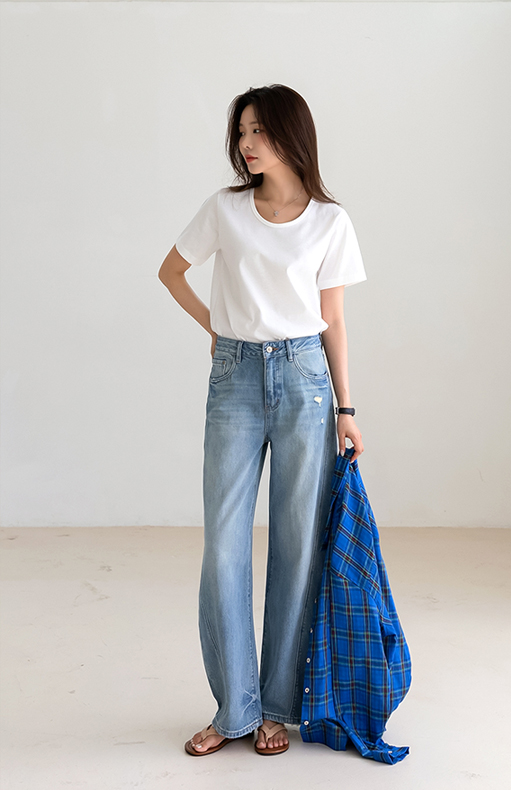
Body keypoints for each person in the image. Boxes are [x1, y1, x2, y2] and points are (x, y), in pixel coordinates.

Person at [158, 84, 366, 757]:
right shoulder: (225, 209)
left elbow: (333, 320)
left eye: (260, 131)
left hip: (306, 380)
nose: (247, 143)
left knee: (297, 546)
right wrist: (216, 331)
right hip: (237, 380)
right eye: (242, 131)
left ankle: (276, 708)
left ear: (291, 135)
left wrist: (346, 408)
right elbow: (171, 271)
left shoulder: (330, 221)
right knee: (223, 545)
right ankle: (235, 709)